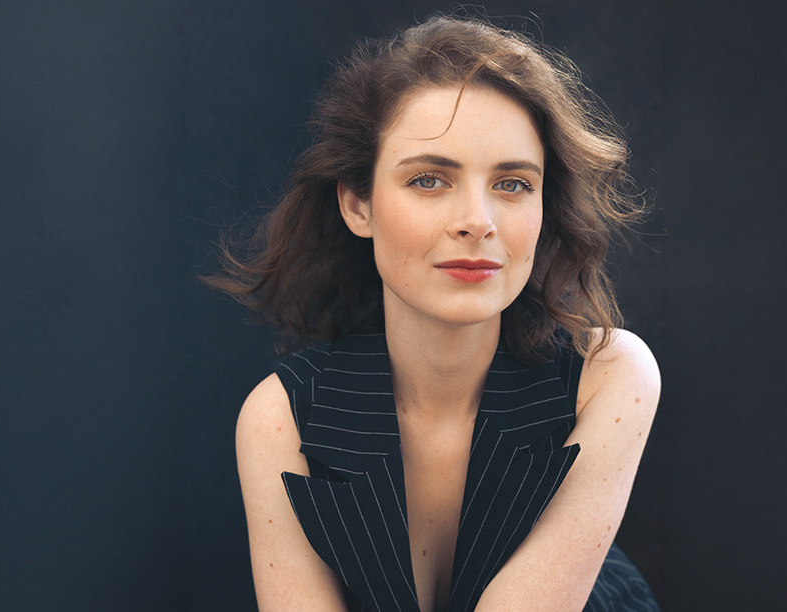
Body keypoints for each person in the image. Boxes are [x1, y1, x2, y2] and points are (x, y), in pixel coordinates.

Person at [206, 15, 661, 612]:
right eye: (429, 180)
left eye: (513, 184)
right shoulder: (282, 419)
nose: (477, 221)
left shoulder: (610, 376)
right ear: (358, 205)